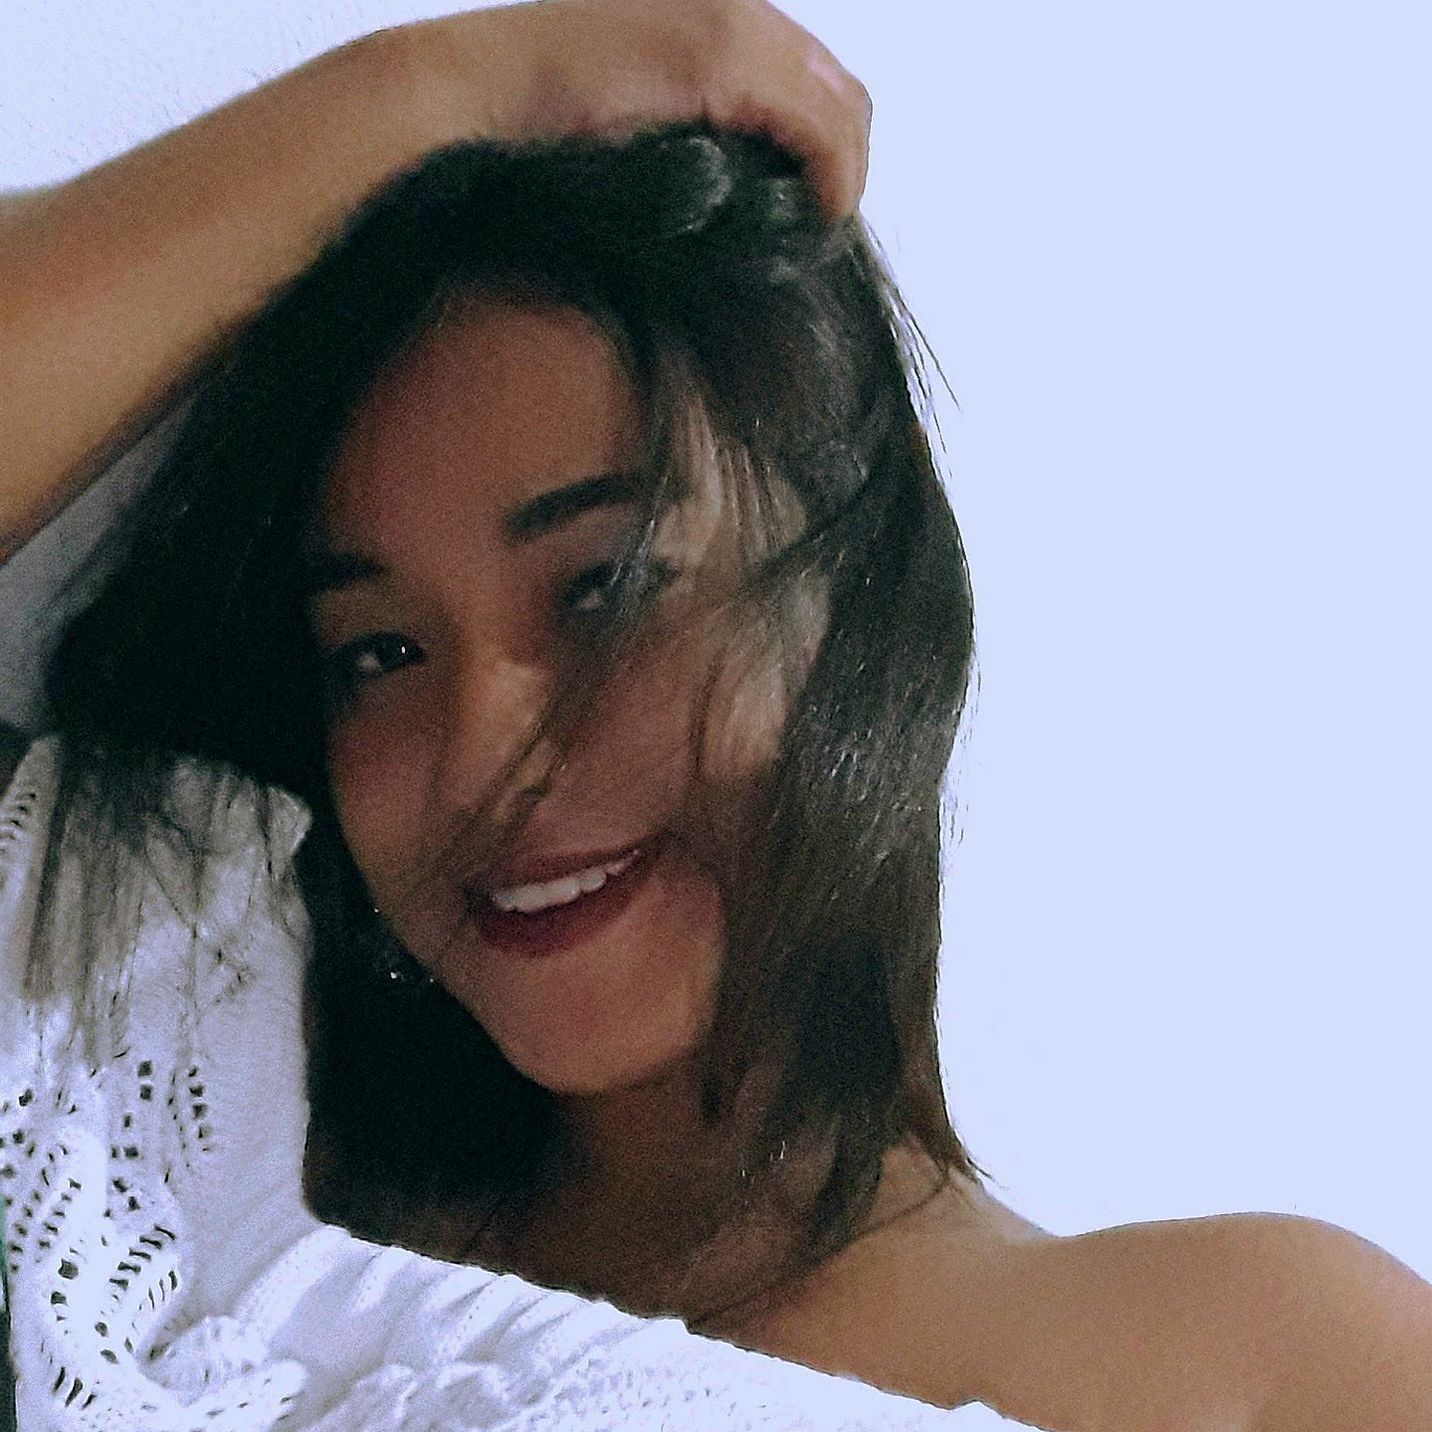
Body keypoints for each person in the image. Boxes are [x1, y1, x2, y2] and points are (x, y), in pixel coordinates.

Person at [7, 6, 1429, 1432]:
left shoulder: (1259, 1361)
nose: (481, 752)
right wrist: (445, 83)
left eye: (608, 588)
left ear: (858, 592)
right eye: (378, 652)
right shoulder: (162, 1162)